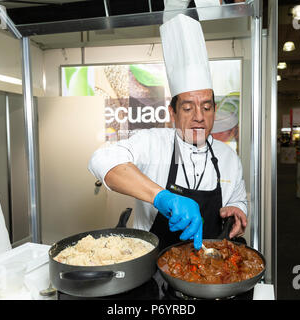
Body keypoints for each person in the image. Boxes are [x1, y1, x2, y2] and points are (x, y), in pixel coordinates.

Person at [88, 14, 247, 251]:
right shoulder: (153, 142)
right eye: (187, 107)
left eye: (206, 107)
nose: (199, 117)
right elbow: (101, 160)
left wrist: (237, 210)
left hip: (210, 271)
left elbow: (238, 198)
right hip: (152, 266)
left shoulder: (228, 158)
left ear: (214, 109)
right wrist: (162, 197)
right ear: (172, 113)